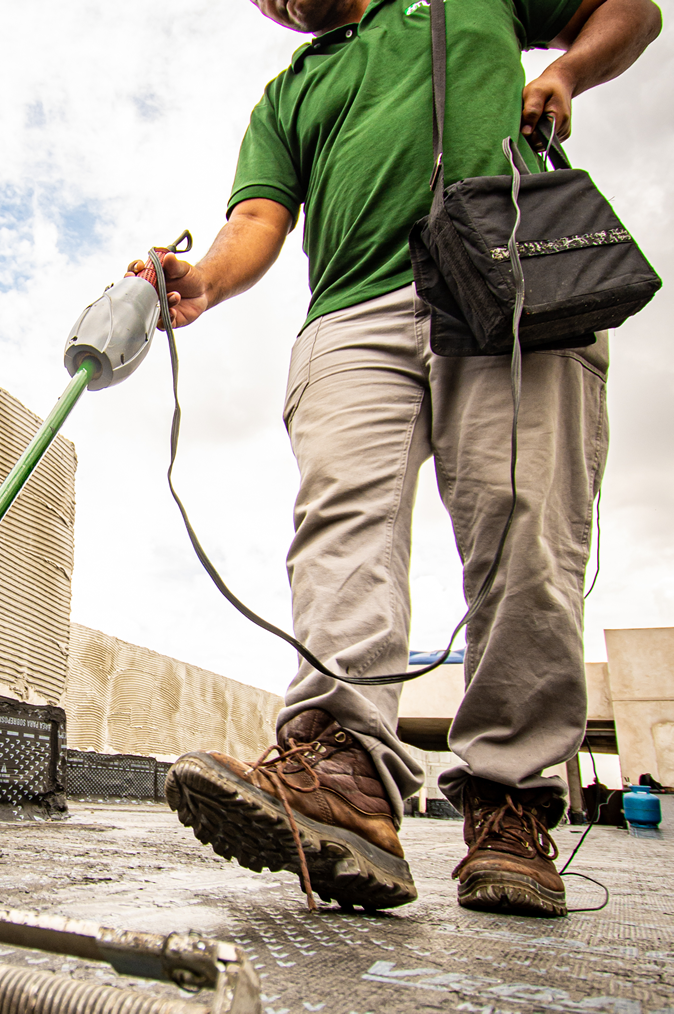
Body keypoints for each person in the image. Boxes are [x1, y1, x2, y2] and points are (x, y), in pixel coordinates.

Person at [140, 0, 661, 917]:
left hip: (510, 276)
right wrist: (205, 282)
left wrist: (567, 72)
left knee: (527, 532)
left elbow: (633, 11)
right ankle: (344, 782)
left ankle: (509, 806)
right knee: (341, 524)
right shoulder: (290, 93)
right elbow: (261, 215)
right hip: (352, 315)